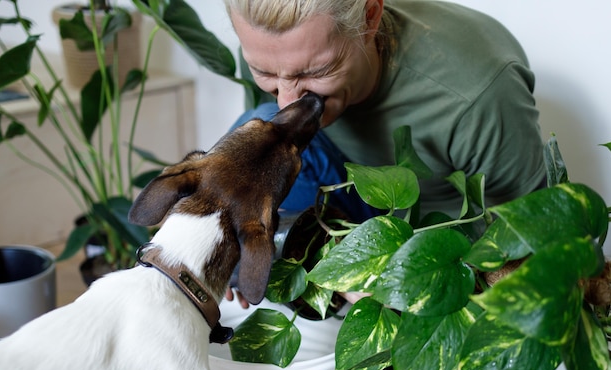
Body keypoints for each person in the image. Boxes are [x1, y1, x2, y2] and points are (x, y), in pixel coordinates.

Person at [223, 0, 546, 305]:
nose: (287, 102)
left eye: (314, 72)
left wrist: (398, 280)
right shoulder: (271, 46)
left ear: (370, 16)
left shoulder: (479, 94)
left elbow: (533, 236)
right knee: (260, 130)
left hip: (440, 241)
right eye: (265, 73)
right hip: (349, 197)